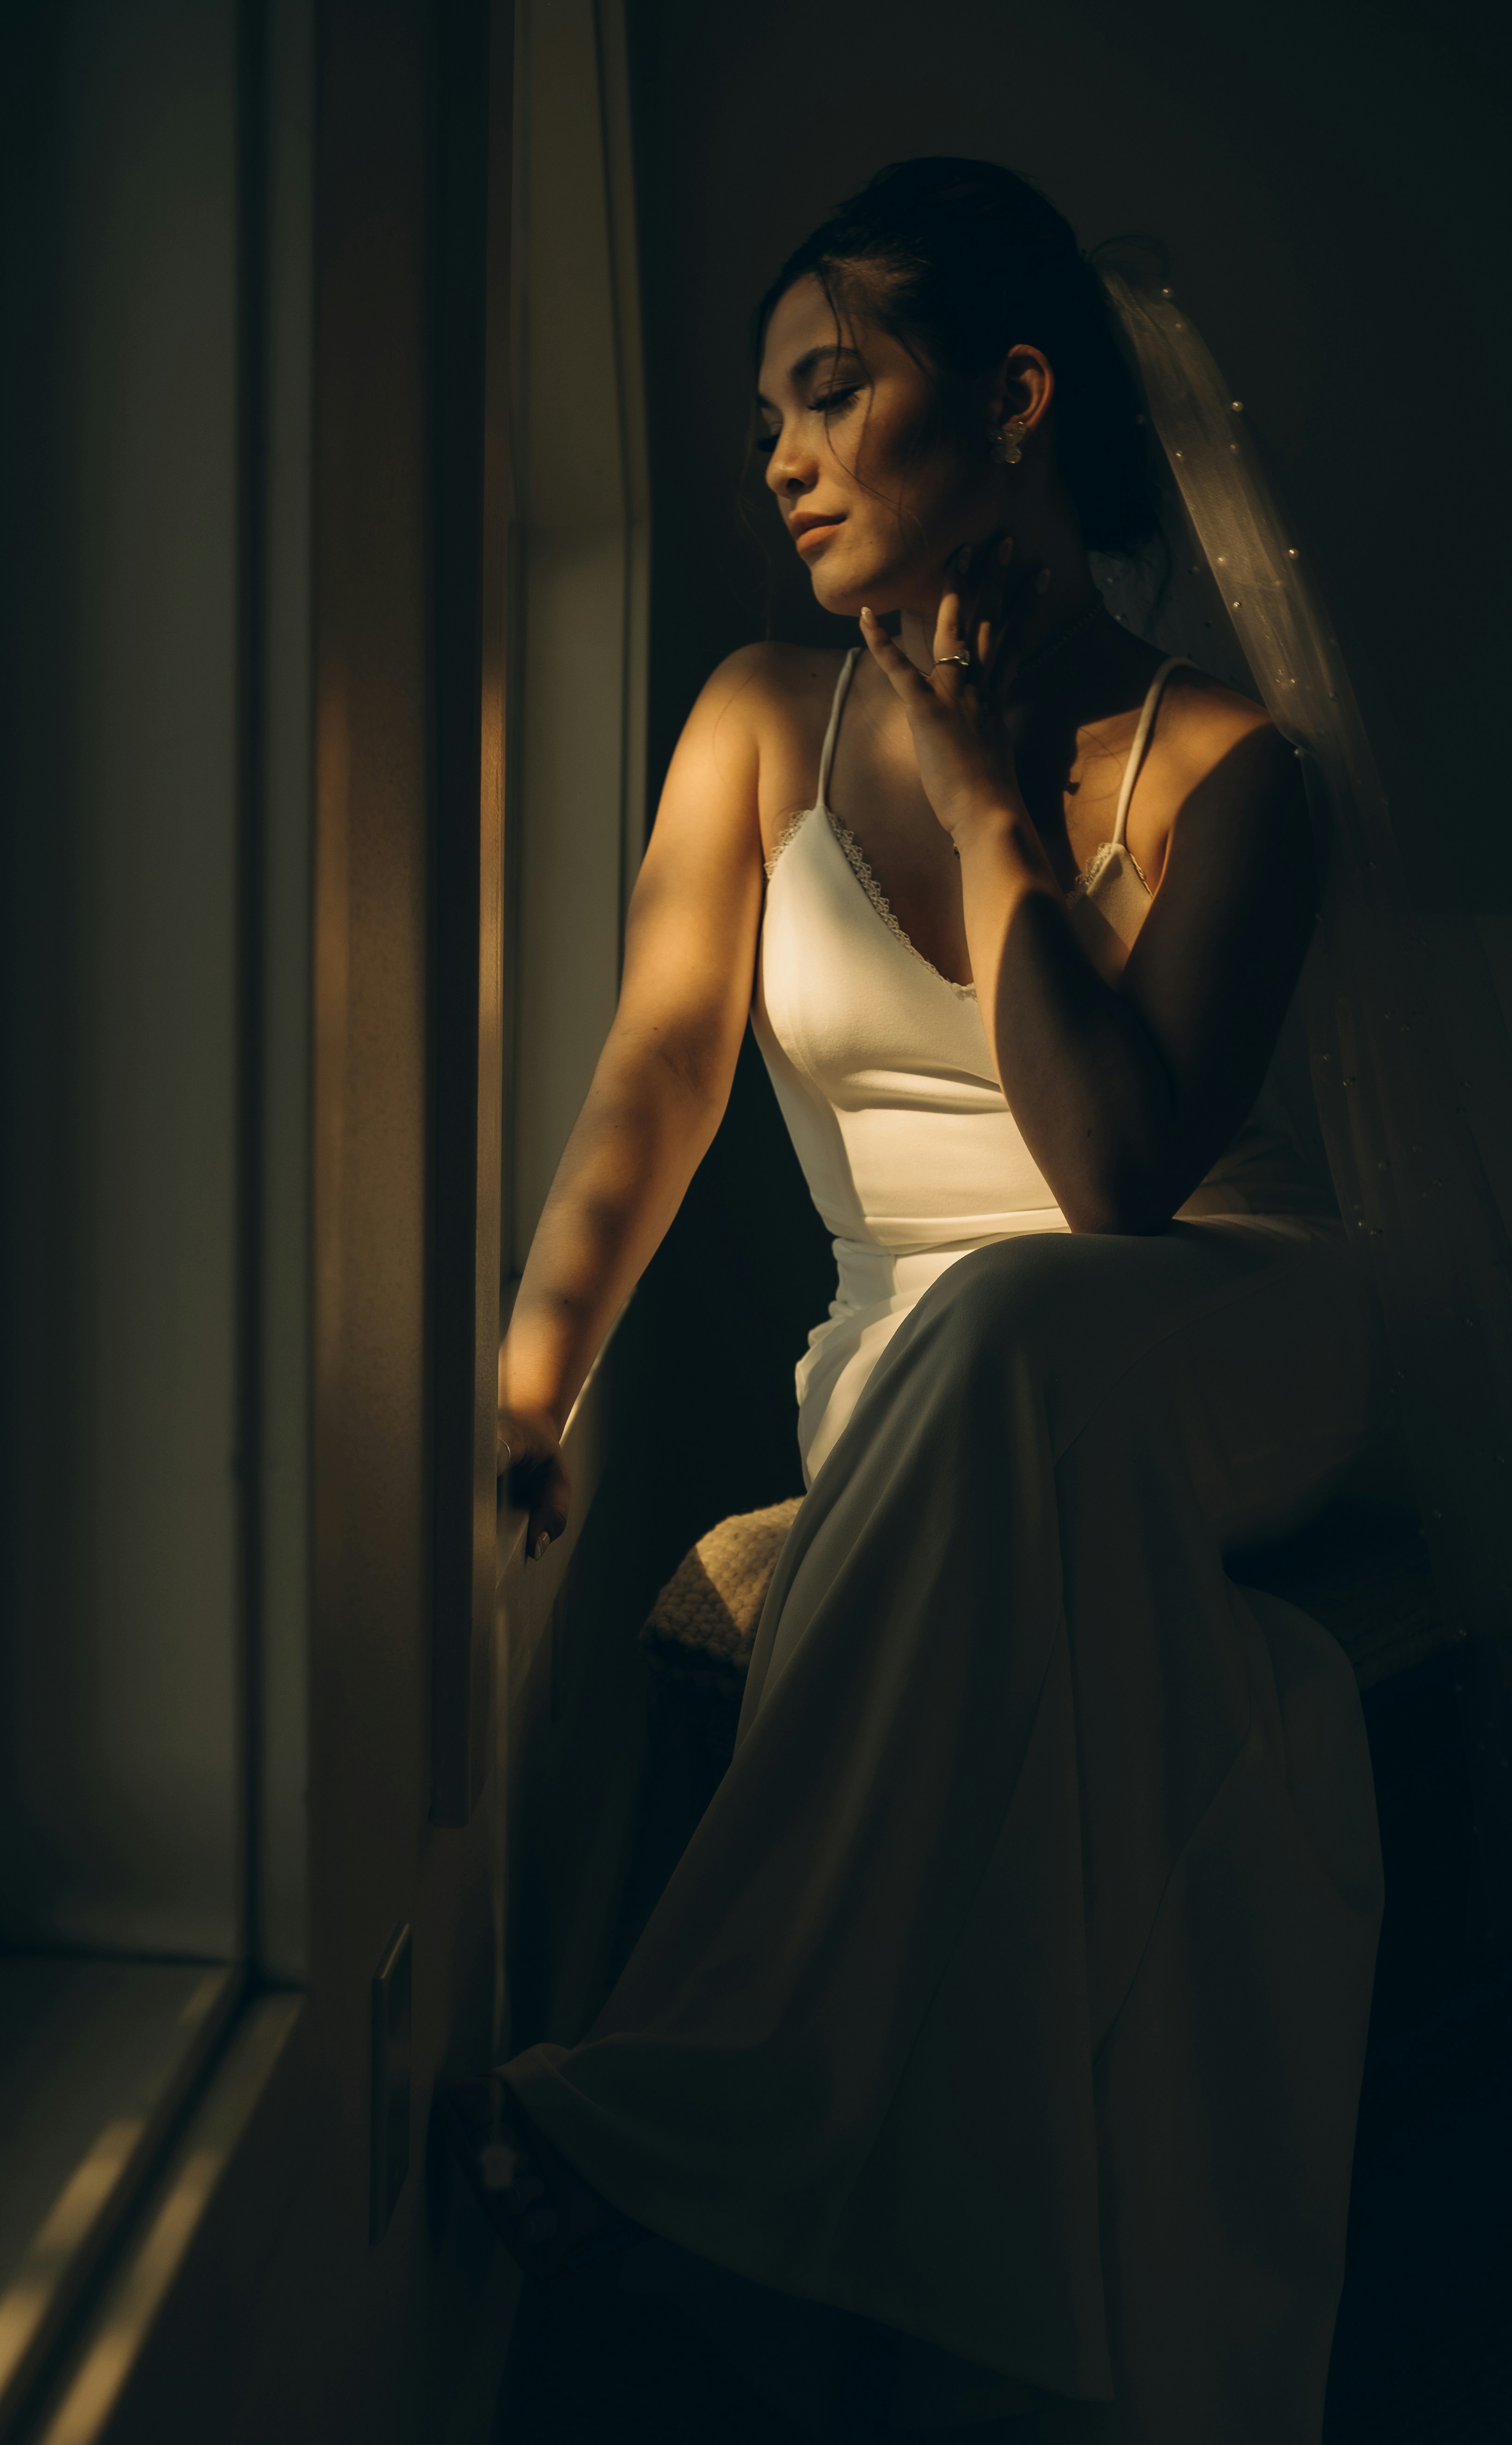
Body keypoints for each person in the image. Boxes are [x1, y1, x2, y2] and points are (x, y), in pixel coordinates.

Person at [453, 161, 1385, 2443]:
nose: (777, 458)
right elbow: (656, 1074)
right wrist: (528, 1377)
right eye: (765, 414)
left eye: (829, 391)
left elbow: (1114, 1181)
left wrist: (989, 813)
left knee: (1010, 1325)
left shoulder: (1230, 775)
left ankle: (701, 2093)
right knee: (953, 1353)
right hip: (913, 1372)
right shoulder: (754, 719)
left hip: (1211, 1329)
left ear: (1013, 398)